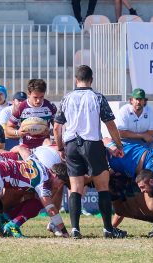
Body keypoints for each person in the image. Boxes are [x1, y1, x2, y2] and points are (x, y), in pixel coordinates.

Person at [53, 65, 125, 239]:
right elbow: (110, 124)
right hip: (92, 144)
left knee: (76, 188)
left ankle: (75, 229)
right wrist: (118, 144)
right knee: (102, 187)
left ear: (76, 80)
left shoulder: (66, 98)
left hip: (71, 144)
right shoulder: (98, 97)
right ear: (91, 80)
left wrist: (61, 147)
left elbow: (56, 127)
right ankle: (108, 229)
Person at [6, 79, 56, 149]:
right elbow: (8, 128)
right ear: (29, 94)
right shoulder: (21, 107)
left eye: (41, 97)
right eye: (35, 97)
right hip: (26, 146)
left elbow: (57, 128)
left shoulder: (50, 106)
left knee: (51, 145)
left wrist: (50, 132)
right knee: (24, 152)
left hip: (44, 144)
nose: (38, 101)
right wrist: (17, 132)